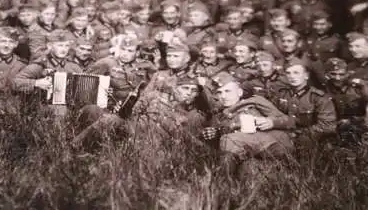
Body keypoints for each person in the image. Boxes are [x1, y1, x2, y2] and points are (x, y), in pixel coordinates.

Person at [72, 76, 209, 151]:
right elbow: (134, 111)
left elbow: (189, 139)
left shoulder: (193, 114)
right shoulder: (155, 96)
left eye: (194, 90)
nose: (189, 93)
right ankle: (75, 147)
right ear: (174, 88)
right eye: (185, 88)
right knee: (110, 119)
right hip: (130, 129)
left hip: (153, 142)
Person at [200, 72, 294, 174]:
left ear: (239, 92)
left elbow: (289, 121)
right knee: (247, 168)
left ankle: (221, 181)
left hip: (273, 143)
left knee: (228, 139)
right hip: (251, 153)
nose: (223, 96)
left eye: (228, 91)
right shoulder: (218, 116)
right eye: (219, 92)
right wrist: (213, 134)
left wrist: (272, 122)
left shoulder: (254, 101)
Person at [273, 58, 337, 143]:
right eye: (288, 73)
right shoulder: (281, 94)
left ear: (306, 76)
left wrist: (299, 134)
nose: (292, 76)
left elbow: (328, 126)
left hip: (310, 140)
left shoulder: (318, 97)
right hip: (284, 137)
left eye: (296, 73)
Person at [323, 58, 368, 145]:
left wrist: (352, 121)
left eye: (341, 74)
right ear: (326, 74)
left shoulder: (358, 88)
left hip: (359, 128)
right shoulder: (323, 90)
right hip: (333, 130)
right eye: (333, 74)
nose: (337, 78)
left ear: (347, 74)